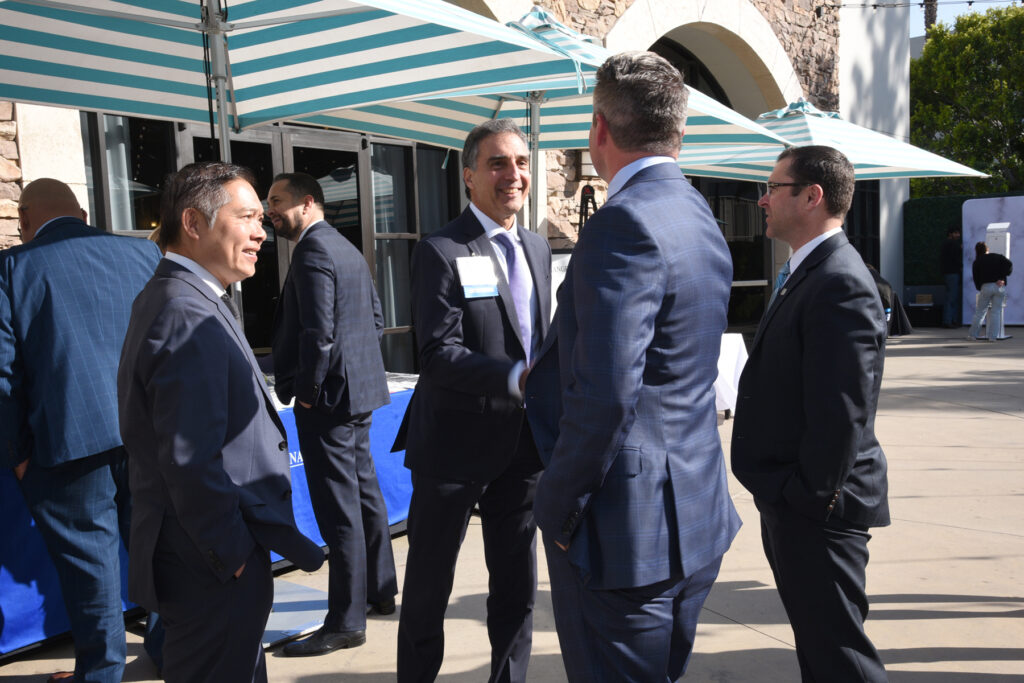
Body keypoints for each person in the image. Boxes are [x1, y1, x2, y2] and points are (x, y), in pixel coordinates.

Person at [527, 51, 741, 682]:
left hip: (625, 529)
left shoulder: (622, 221)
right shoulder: (695, 209)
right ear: (680, 130)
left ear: (599, 128)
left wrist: (559, 508)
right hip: (692, 509)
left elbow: (607, 394)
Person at [117, 162, 324, 683]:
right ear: (193, 222)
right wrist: (231, 555)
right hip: (209, 564)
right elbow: (188, 457)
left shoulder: (189, 296)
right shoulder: (184, 310)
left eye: (261, 218)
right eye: (246, 217)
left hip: (209, 558)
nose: (261, 232)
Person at [392, 119, 552, 683]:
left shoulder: (537, 247)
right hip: (452, 447)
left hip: (524, 446)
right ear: (468, 176)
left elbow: (537, 336)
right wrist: (518, 377)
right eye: (498, 163)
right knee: (429, 586)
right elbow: (439, 355)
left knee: (516, 584)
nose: (514, 175)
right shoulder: (441, 249)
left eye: (522, 163)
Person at [731, 145, 890, 682]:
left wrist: (805, 497)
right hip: (796, 502)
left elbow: (842, 412)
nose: (762, 200)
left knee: (840, 658)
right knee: (822, 654)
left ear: (811, 196)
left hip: (817, 510)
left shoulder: (839, 280)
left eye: (773, 188)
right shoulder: (810, 270)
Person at [0, 178, 161, 683]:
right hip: (147, 436)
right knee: (156, 551)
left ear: (25, 219)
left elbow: (3, 376)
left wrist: (16, 455)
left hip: (68, 443)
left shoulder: (13, 266)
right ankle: (171, 650)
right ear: (84, 213)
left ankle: (102, 672)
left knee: (90, 568)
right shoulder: (143, 255)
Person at [266, 172, 397, 656]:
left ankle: (345, 622)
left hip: (330, 403)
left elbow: (318, 333)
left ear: (307, 202)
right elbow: (376, 321)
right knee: (364, 495)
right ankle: (380, 590)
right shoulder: (345, 247)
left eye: (277, 201)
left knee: (340, 509)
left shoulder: (314, 250)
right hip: (356, 394)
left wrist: (308, 392)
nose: (270, 211)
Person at [967, 241, 1012, 341]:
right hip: (999, 286)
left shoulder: (977, 261)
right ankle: (993, 337)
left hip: (986, 286)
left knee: (980, 312)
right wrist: (1003, 278)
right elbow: (1009, 264)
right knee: (996, 312)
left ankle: (973, 335)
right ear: (987, 249)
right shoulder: (998, 256)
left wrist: (979, 287)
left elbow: (976, 277)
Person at [940, 227, 962, 328]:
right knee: (952, 298)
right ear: (950, 234)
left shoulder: (945, 244)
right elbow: (955, 258)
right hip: (953, 273)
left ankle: (950, 320)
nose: (958, 235)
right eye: (956, 233)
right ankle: (949, 321)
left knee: (950, 297)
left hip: (947, 273)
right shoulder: (953, 244)